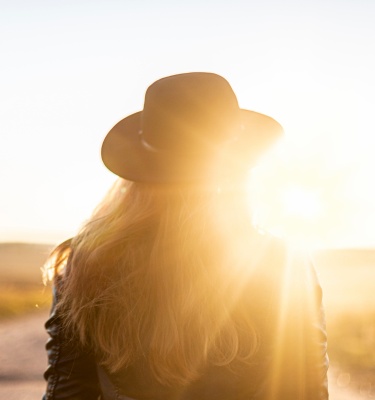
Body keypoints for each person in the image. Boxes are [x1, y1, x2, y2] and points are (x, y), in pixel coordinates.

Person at [43, 72, 329, 400]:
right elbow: (303, 391)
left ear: (139, 172)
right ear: (239, 168)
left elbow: (67, 392)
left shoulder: (89, 262)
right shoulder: (280, 266)